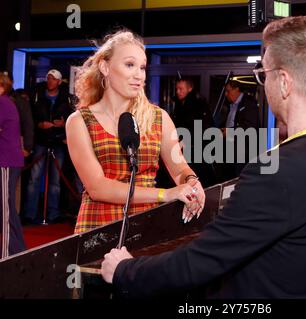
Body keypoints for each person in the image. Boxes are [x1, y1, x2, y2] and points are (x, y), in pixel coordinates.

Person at [101, 16, 306, 299]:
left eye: (265, 73)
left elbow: (199, 264)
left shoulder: (277, 172)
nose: (264, 83)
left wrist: (126, 270)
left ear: (284, 82)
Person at [65, 30, 205, 234]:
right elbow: (97, 187)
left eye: (142, 67)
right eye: (130, 65)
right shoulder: (80, 121)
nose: (138, 75)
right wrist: (164, 195)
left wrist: (192, 182)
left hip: (147, 225)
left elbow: (179, 168)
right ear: (105, 67)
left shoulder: (159, 118)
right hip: (98, 228)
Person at [22, 69, 74, 224]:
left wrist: (63, 125)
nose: (50, 81)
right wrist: (40, 125)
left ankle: (53, 214)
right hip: (41, 141)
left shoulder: (66, 99)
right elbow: (30, 118)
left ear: (59, 81)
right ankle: (30, 214)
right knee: (34, 178)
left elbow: (72, 119)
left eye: (53, 79)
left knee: (55, 181)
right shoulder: (37, 96)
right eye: (48, 78)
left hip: (57, 141)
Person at [172, 78, 216, 187]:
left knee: (197, 179)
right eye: (177, 89)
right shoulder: (180, 104)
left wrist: (185, 141)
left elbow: (202, 128)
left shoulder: (198, 105)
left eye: (181, 89)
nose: (178, 92)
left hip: (197, 151)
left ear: (190, 89)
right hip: (185, 149)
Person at [0, 74, 26, 258]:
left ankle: (9, 253)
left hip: (6, 160)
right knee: (6, 207)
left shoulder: (3, 103)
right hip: (7, 160)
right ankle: (16, 249)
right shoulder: (6, 102)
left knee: (5, 209)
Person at [217, 80, 260, 180]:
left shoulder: (248, 103)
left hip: (243, 149)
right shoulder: (231, 105)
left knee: (239, 178)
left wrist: (230, 132)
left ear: (236, 89)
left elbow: (250, 127)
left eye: (228, 91)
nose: (226, 94)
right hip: (230, 147)